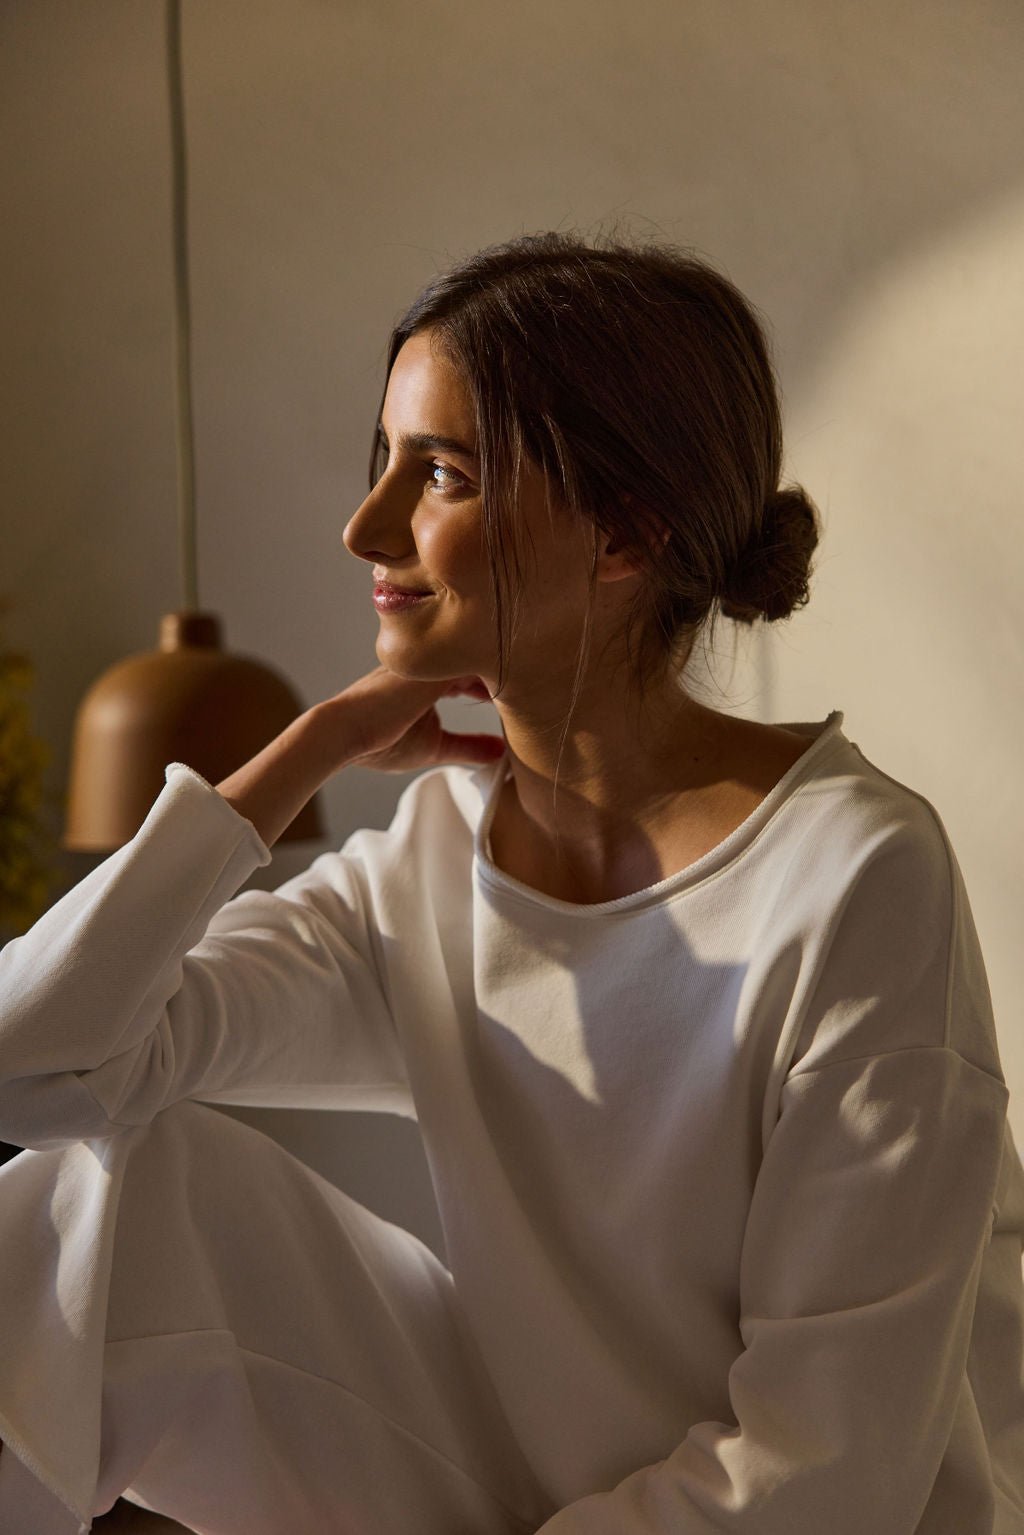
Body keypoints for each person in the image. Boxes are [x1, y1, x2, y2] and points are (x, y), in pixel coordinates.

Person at [0, 229, 1022, 1535]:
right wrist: (286, 769)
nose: (366, 525)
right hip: (529, 1492)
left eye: (439, 474)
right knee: (104, 1195)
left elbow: (829, 1473)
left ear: (624, 533)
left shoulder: (854, 877)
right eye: (384, 463)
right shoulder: (430, 863)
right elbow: (32, 1073)